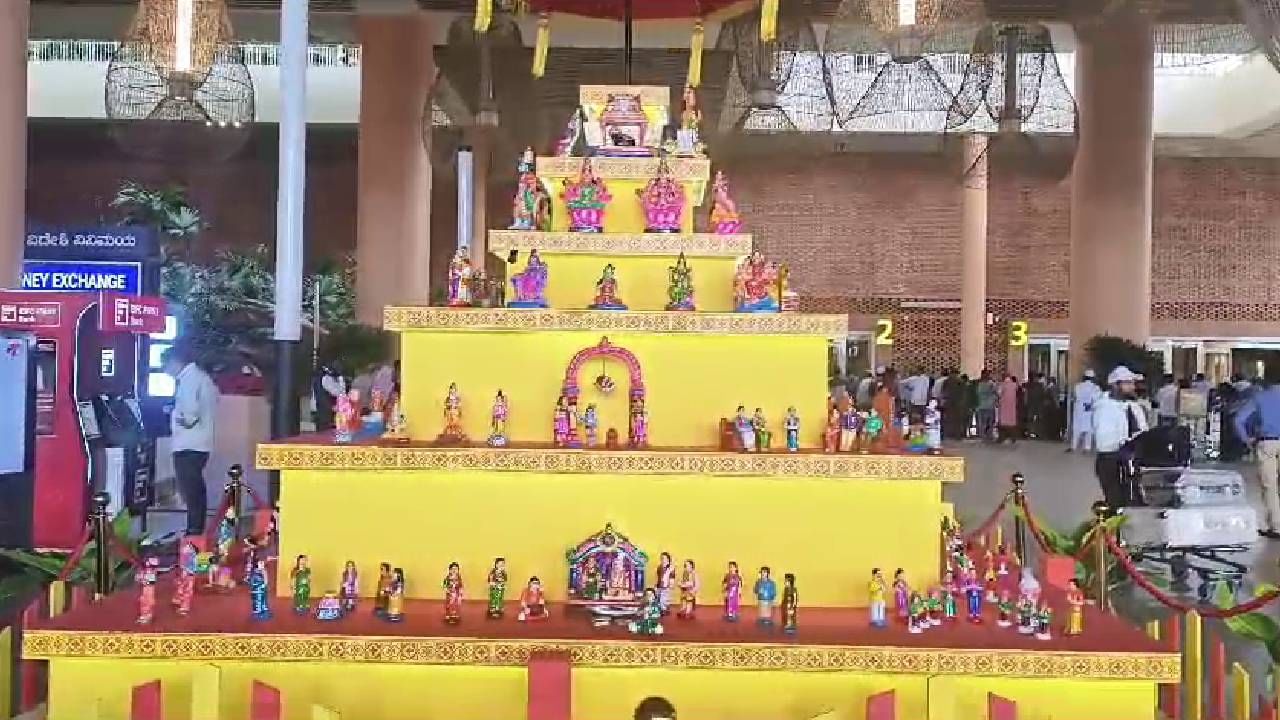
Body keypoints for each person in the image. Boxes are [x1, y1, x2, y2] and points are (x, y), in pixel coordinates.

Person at [164, 347, 220, 537]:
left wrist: (174, 415)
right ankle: (196, 529)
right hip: (202, 443)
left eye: (166, 366)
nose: (166, 371)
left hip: (188, 444)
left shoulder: (188, 380)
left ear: (175, 362)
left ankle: (193, 532)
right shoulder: (203, 377)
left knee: (191, 491)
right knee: (197, 490)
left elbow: (189, 414)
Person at [1233, 364, 1280, 540]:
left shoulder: (1260, 397)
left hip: (1266, 443)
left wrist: (1247, 440)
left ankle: (1276, 526)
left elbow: (1239, 420)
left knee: (1270, 486)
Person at [1091, 366, 1148, 512]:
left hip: (1133, 461)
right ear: (1115, 385)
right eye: (1127, 383)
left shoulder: (1134, 406)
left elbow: (1143, 431)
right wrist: (1126, 443)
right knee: (1117, 503)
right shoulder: (1104, 408)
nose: (1132, 387)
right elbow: (1104, 442)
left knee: (1136, 502)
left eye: (1132, 383)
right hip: (1112, 461)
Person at [1068, 370, 1102, 453]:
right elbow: (1097, 399)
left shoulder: (1078, 386)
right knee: (1089, 429)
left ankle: (1073, 446)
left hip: (1079, 409)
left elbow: (1076, 396)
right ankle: (1087, 447)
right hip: (1089, 409)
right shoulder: (1096, 388)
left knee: (1076, 428)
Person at [312, 363, 346, 432]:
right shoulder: (326, 379)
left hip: (321, 408)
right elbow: (338, 392)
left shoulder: (319, 379)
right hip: (326, 410)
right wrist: (341, 380)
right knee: (326, 431)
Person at [997, 375, 1020, 444]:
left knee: (1003, 423)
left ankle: (1002, 438)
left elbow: (999, 393)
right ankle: (1013, 438)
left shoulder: (1003, 385)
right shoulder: (1014, 385)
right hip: (1012, 406)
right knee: (1012, 422)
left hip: (1004, 406)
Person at [974, 371, 998, 442]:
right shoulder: (991, 384)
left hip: (981, 405)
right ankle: (989, 435)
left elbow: (977, 394)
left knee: (983, 422)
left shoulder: (979, 384)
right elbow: (996, 393)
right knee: (990, 422)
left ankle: (983, 435)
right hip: (989, 406)